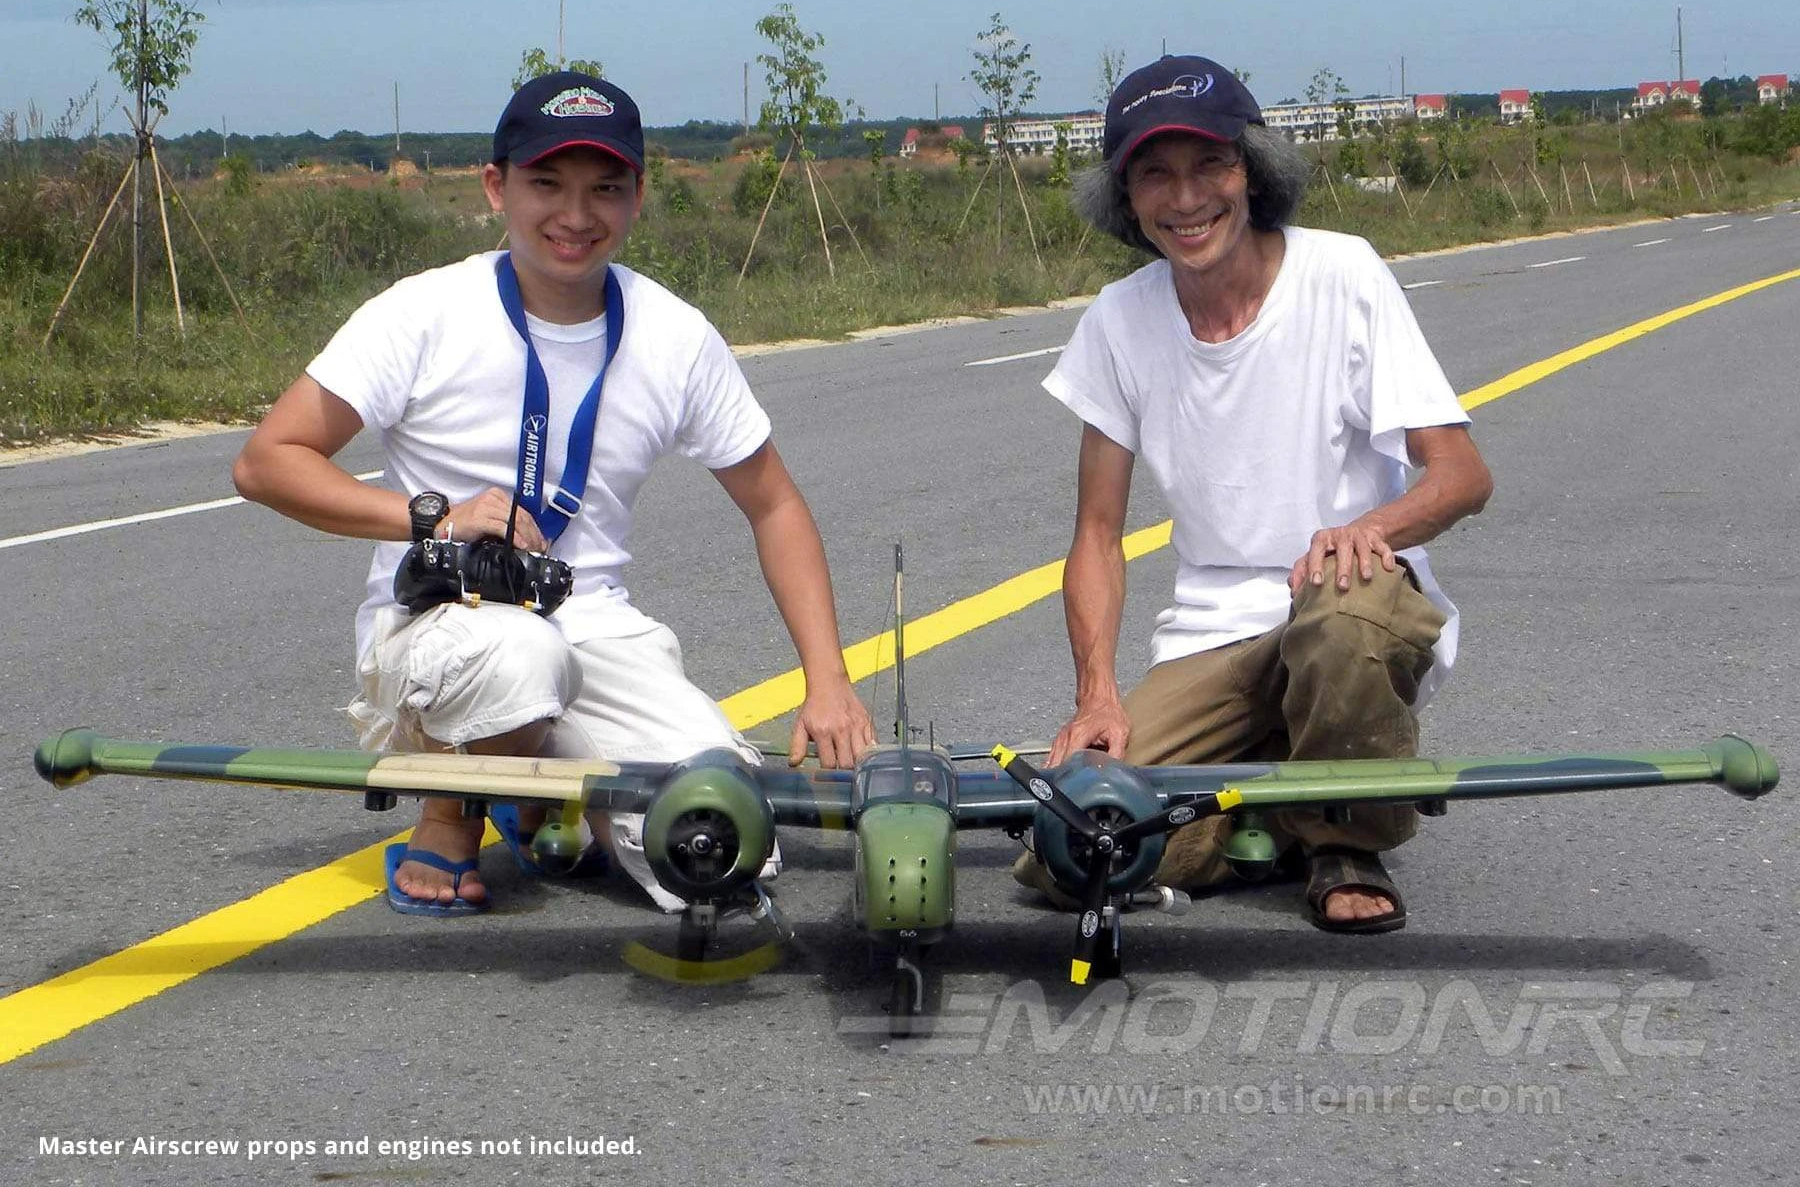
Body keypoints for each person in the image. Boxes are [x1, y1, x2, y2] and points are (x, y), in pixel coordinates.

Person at [233, 72, 875, 916]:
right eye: (547, 183)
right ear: (496, 187)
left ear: (638, 195)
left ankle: (550, 791)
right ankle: (454, 810)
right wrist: (435, 518)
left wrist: (828, 681)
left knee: (718, 841)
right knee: (523, 658)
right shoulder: (423, 313)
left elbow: (775, 504)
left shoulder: (674, 334)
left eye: (605, 188)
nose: (576, 214)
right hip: (441, 622)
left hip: (593, 627)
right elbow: (268, 461)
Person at [1020, 55, 1493, 932]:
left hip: (1346, 609)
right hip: (1213, 633)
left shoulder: (1342, 275)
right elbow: (1096, 534)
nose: (1186, 198)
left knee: (1342, 611)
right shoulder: (1119, 319)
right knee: (1075, 852)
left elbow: (1462, 474)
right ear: (1125, 199)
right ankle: (1291, 796)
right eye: (1155, 174)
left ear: (1255, 170)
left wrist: (1366, 529)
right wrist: (1098, 696)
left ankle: (1346, 842)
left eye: (1212, 164)